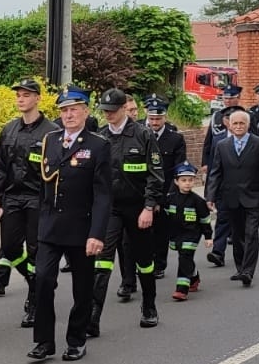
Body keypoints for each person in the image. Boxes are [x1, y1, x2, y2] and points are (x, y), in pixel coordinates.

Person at [28, 86, 113, 362]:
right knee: (42, 281)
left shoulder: (98, 145)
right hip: (51, 227)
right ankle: (43, 341)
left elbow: (102, 194)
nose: (68, 115)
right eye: (64, 110)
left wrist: (97, 233)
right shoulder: (50, 140)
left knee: (82, 288)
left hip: (82, 228)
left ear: (86, 111)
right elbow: (43, 185)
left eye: (74, 109)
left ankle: (76, 339)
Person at [0, 77, 58, 330]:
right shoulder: (9, 130)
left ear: (37, 98)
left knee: (37, 251)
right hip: (13, 198)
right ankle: (34, 281)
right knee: (12, 248)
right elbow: (0, 167)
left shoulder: (51, 131)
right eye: (18, 95)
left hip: (39, 199)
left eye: (26, 95)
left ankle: (35, 303)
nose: (21, 99)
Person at [89, 88, 165, 332]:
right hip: (110, 208)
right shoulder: (99, 137)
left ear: (124, 109)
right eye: (105, 111)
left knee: (144, 260)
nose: (108, 114)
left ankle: (149, 306)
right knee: (103, 260)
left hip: (137, 207)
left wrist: (149, 207)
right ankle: (93, 317)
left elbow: (156, 175)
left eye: (112, 110)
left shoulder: (143, 134)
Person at [204, 106, 259, 288]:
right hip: (231, 198)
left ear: (248, 125)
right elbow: (215, 173)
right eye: (235, 123)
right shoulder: (222, 146)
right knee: (237, 236)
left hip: (254, 197)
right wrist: (210, 196)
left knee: (251, 234)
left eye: (242, 123)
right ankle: (240, 267)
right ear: (229, 125)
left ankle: (248, 271)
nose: (238, 126)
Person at [142, 97, 187, 279]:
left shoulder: (175, 138)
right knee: (143, 232)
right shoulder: (139, 133)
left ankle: (159, 264)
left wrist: (165, 197)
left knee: (161, 232)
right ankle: (145, 262)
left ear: (165, 117)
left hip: (165, 191)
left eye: (158, 119)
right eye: (152, 118)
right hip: (142, 191)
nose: (154, 122)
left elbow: (177, 169)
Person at [200, 85, 243, 265]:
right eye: (228, 118)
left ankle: (244, 254)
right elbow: (208, 145)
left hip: (244, 187)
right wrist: (210, 192)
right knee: (223, 218)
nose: (230, 122)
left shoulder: (252, 140)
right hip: (223, 186)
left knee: (242, 224)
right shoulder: (219, 138)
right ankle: (218, 252)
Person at [164, 163, 211, 302]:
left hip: (192, 234)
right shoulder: (169, 199)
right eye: (184, 180)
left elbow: (205, 220)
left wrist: (208, 236)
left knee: (184, 256)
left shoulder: (198, 201)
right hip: (176, 234)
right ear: (176, 182)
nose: (187, 184)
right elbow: (164, 218)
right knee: (186, 258)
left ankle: (181, 289)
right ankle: (194, 277)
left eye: (190, 180)